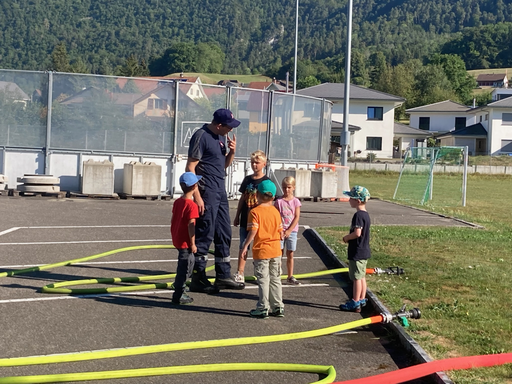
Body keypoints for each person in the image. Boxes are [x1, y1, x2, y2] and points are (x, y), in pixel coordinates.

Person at [186, 108, 245, 294]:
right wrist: (197, 196)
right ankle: (198, 277)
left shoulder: (220, 138)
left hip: (220, 189)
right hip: (207, 191)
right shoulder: (201, 136)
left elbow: (222, 166)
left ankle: (223, 275)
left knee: (224, 232)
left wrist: (232, 153)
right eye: (229, 127)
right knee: (205, 232)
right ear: (219, 125)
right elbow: (190, 167)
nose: (230, 130)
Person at [240, 179, 284, 319]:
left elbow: (253, 231)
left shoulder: (254, 212)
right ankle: (278, 306)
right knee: (275, 279)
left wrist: (245, 246)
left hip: (262, 251)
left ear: (257, 195)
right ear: (273, 197)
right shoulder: (275, 212)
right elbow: (280, 231)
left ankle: (263, 307)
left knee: (263, 280)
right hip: (276, 250)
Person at [233, 150, 269, 283]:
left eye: (257, 163)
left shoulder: (266, 181)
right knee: (243, 245)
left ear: (264, 164)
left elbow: (270, 202)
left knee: (259, 246)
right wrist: (237, 215)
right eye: (253, 162)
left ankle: (260, 271)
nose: (255, 165)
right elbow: (242, 199)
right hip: (245, 218)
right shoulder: (247, 180)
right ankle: (240, 272)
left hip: (260, 219)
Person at [170, 172, 201, 305]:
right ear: (194, 186)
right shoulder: (191, 205)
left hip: (178, 238)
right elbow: (191, 225)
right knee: (184, 267)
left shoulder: (178, 202)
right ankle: (178, 293)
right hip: (185, 242)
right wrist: (193, 243)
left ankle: (180, 287)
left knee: (188, 263)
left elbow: (173, 219)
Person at [339, 185, 371, 313]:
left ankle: (355, 300)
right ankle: (362, 298)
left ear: (357, 200)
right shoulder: (366, 215)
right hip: (364, 250)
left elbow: (357, 233)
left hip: (357, 250)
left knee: (356, 277)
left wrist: (347, 237)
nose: (349, 200)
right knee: (362, 276)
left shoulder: (358, 216)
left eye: (351, 198)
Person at [274, 176, 302, 284]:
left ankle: (290, 275)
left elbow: (296, 217)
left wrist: (289, 230)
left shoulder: (296, 202)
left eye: (289, 187)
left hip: (292, 231)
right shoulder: (279, 201)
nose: (286, 190)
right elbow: (276, 217)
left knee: (290, 253)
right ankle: (277, 274)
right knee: (278, 253)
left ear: (293, 188)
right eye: (284, 187)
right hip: (280, 230)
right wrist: (281, 230)